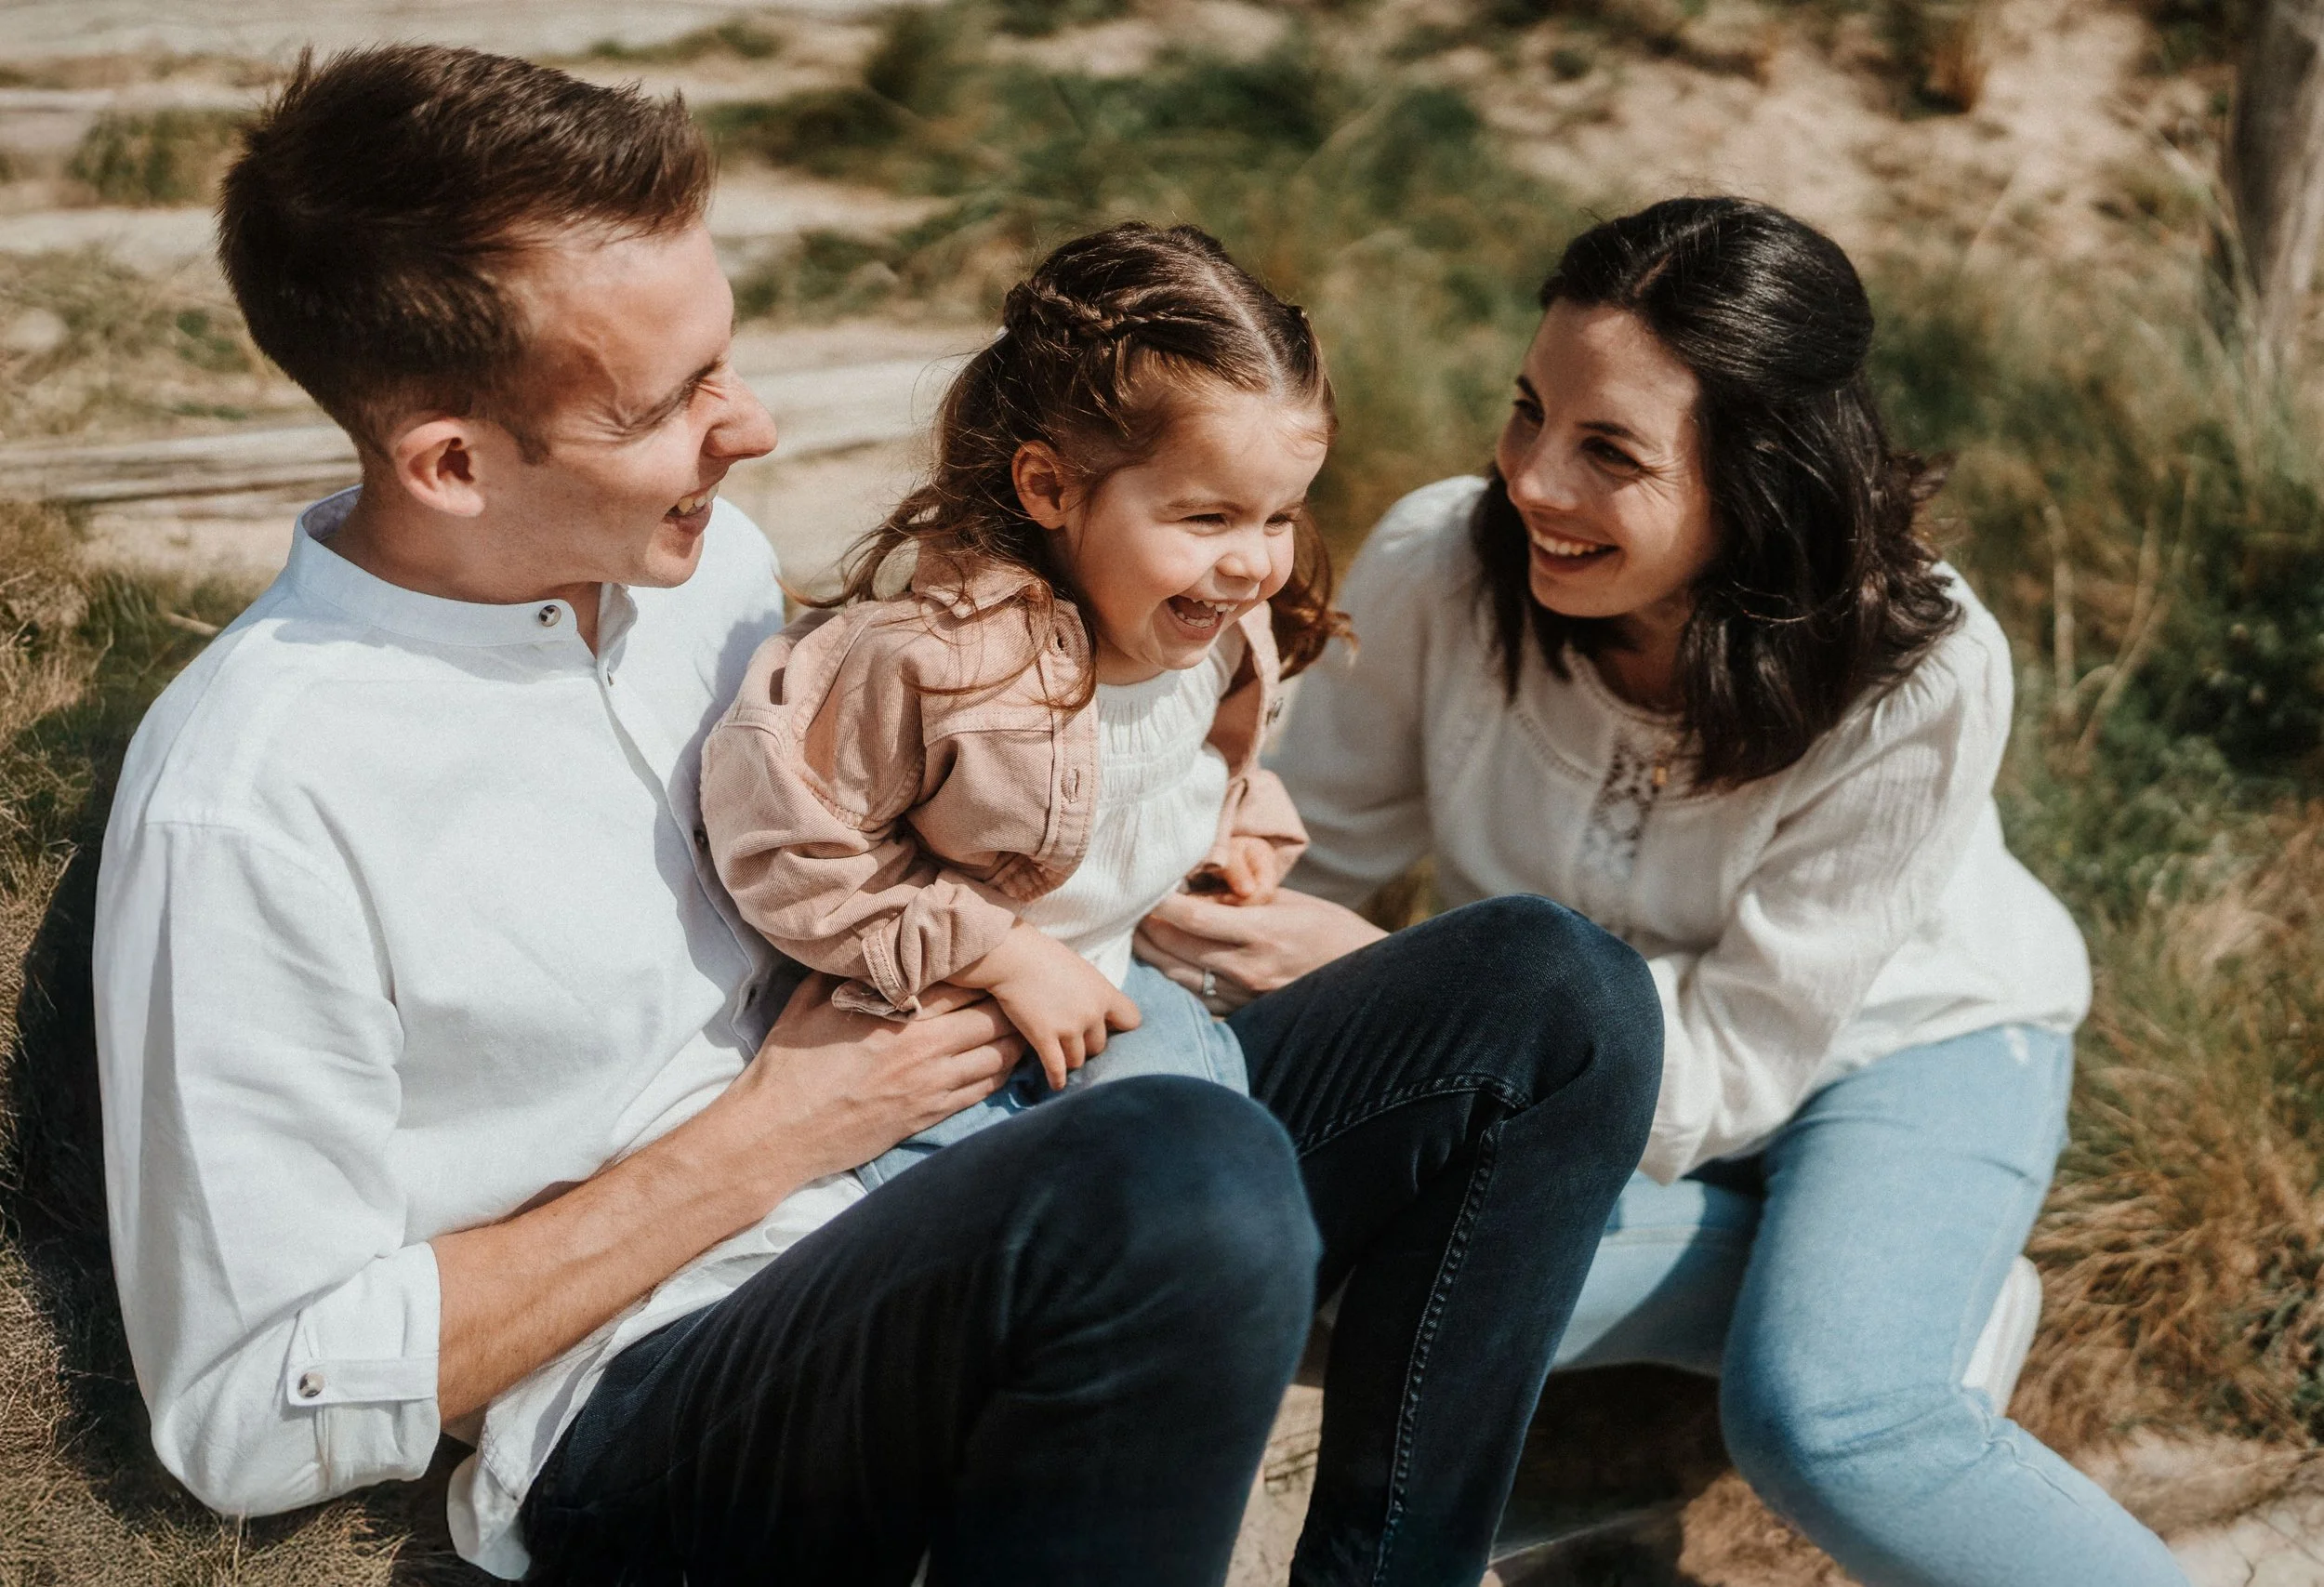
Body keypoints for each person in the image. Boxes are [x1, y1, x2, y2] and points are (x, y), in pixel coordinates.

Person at [91, 45, 1664, 1587]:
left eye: (726, 357)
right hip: (663, 1381)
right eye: (675, 399)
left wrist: (1148, 851)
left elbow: (898, 797)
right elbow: (248, 1406)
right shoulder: (256, 802)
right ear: (449, 462)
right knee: (1180, 1174)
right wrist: (771, 1134)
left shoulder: (703, 563)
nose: (755, 427)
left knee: (1557, 992)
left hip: (973, 1156)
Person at [1140, 198, 2191, 1585]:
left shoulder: (1922, 669)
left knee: (1830, 1421)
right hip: (1576, 1069)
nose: (1531, 480)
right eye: (1529, 411)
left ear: (1759, 476)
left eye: (1610, 451)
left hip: (1903, 1044)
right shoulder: (1441, 561)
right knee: (1301, 1269)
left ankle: (1880, 1314)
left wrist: (1378, 978)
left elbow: (1744, 1057)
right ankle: (1834, 1282)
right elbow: (1309, 844)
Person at [699, 222, 1333, 1185]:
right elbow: (786, 844)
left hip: (1121, 983)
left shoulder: (1217, 634)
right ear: (1049, 487)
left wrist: (1230, 834)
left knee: (1213, 1176)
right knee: (974, 1226)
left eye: (1279, 515)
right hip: (935, 1027)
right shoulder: (935, 666)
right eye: (1207, 517)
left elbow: (1193, 761)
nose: (1253, 563)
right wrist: (1000, 953)